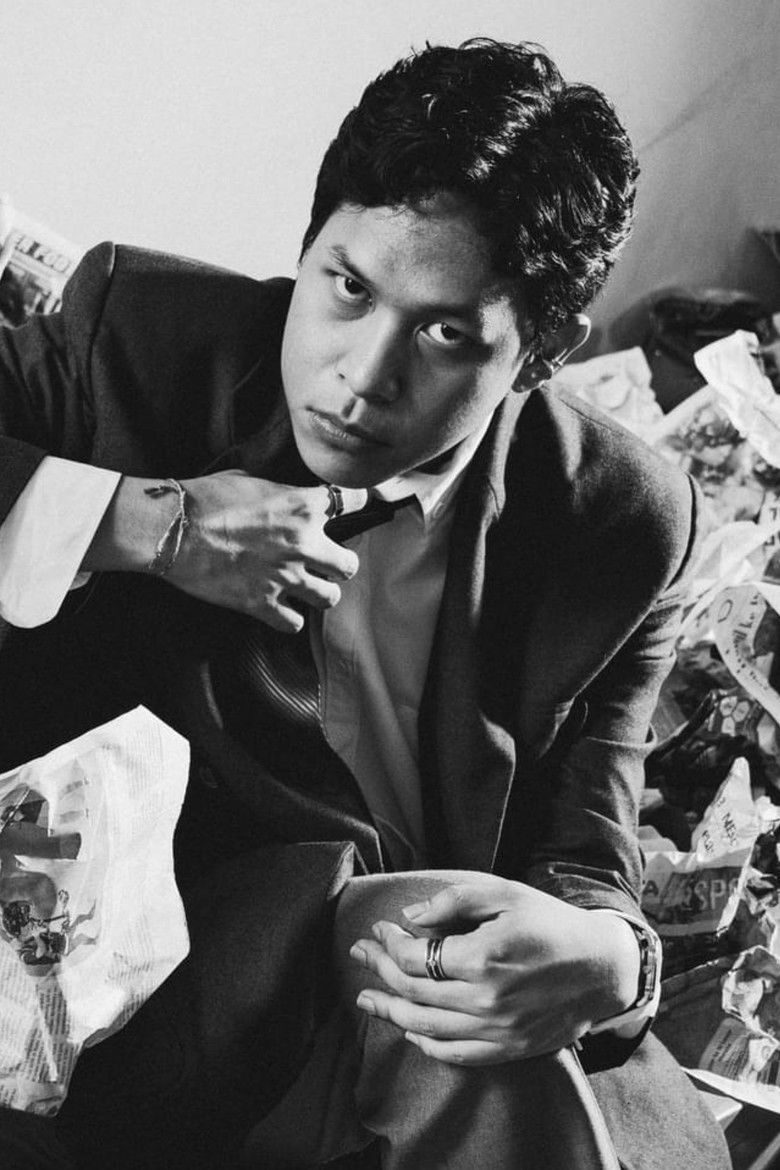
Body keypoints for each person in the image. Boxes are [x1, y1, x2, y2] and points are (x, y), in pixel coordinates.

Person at [0, 38, 730, 1170]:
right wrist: (150, 524)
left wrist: (613, 955)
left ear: (541, 354)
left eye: (445, 334)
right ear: (308, 245)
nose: (363, 375)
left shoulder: (628, 516)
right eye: (347, 288)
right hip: (198, 959)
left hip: (454, 968)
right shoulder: (138, 337)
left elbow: (588, 827)